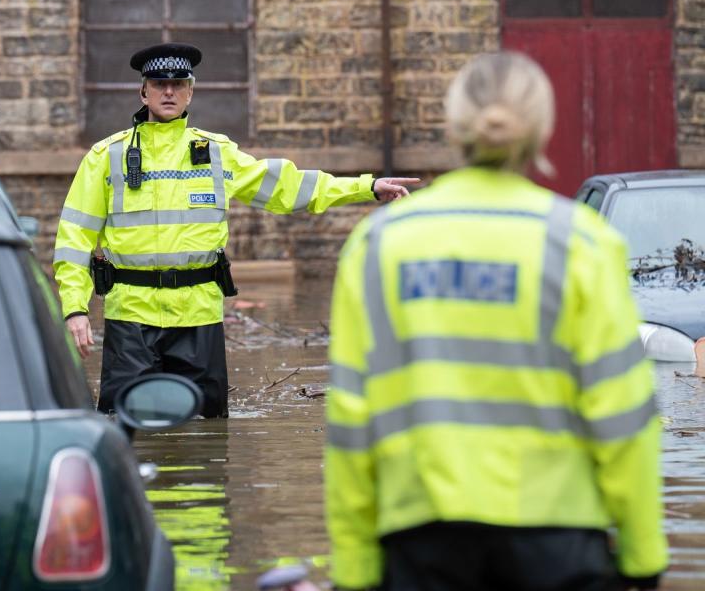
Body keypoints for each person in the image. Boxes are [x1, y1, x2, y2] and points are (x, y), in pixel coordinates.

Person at [324, 51, 667, 591]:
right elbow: (624, 416)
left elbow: (350, 420)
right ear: (543, 128)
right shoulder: (581, 242)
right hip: (560, 538)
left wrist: (355, 570)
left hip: (419, 538)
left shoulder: (379, 244)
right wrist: (644, 559)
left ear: (453, 126)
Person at [53, 42, 418, 418]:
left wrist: (365, 187)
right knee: (125, 428)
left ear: (190, 91)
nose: (168, 91)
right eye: (159, 83)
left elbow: (286, 187)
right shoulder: (106, 157)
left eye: (178, 84)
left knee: (207, 434)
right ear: (143, 91)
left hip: (199, 321)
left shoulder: (216, 153)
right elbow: (74, 238)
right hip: (130, 318)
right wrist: (75, 309)